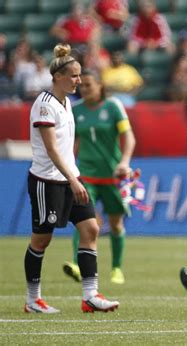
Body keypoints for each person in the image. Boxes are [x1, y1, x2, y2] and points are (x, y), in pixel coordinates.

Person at [24, 43, 119, 313]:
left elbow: (67, 146)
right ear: (58, 76)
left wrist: (75, 177)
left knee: (91, 229)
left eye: (80, 75)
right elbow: (52, 149)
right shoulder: (44, 105)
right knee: (41, 240)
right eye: (74, 75)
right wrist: (75, 180)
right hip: (47, 181)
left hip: (70, 178)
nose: (79, 80)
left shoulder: (68, 104)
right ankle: (33, 300)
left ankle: (90, 296)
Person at [62, 69, 136, 285]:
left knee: (115, 224)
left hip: (112, 176)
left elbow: (129, 138)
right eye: (81, 86)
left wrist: (124, 162)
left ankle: (116, 268)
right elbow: (71, 143)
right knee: (84, 221)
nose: (84, 89)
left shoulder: (113, 107)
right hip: (86, 174)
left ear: (100, 86)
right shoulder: (75, 111)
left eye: (88, 85)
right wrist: (69, 170)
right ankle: (77, 264)